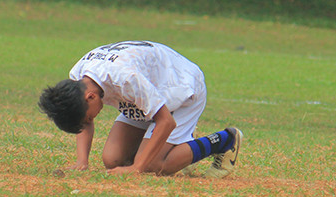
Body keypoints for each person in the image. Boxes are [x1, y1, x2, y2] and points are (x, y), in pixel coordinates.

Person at [38, 41, 243, 177]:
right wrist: (82, 162)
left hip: (180, 88)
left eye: (88, 118)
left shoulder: (125, 78)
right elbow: (85, 121)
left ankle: (225, 140)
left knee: (155, 165)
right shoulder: (79, 77)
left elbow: (166, 121)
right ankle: (177, 146)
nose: (90, 121)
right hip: (146, 95)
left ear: (90, 97)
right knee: (113, 160)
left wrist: (137, 168)